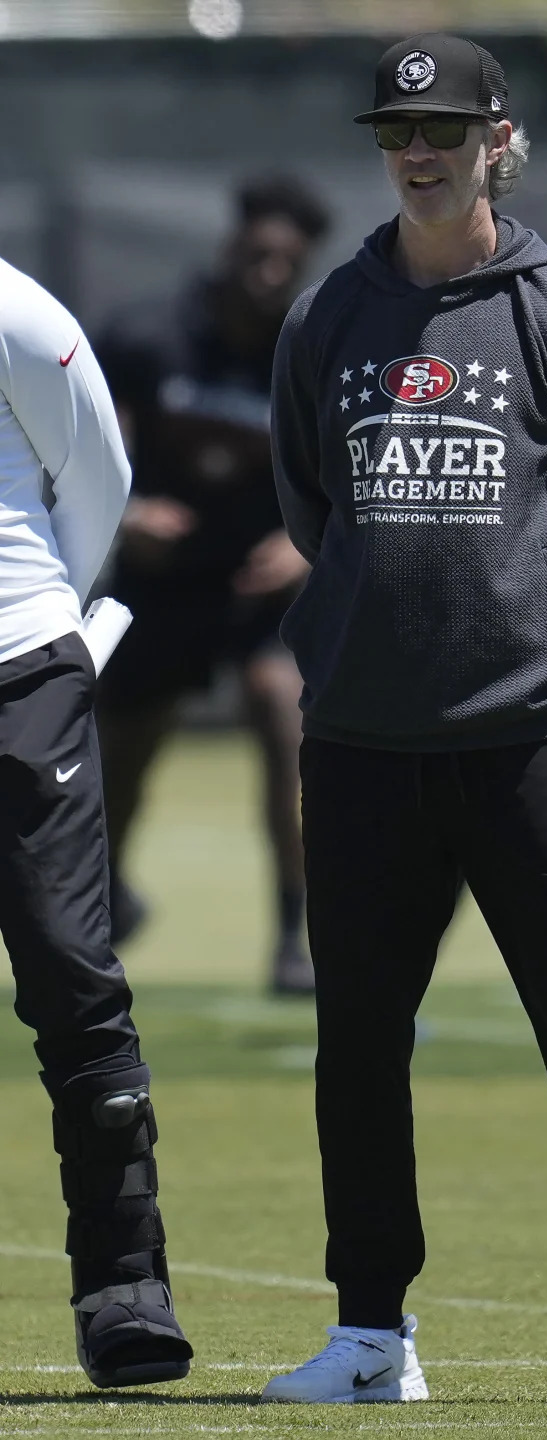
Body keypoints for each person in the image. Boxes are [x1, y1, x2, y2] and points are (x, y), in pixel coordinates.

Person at [262, 33, 547, 1409]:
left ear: (496, 139)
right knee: (359, 1044)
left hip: (532, 742)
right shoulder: (331, 317)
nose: (420, 148)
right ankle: (373, 1334)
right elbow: (308, 507)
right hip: (365, 746)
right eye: (399, 129)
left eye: (446, 127)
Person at [0, 256, 192, 1387]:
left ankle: (125, 1290)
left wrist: (47, 629)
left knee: (73, 974)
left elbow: (98, 469)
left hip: (26, 671)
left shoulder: (13, 307)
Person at [94, 175, 331, 995]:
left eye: (287, 263)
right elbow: (85, 451)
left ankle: (295, 940)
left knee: (284, 716)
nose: (270, 275)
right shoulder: (147, 338)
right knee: (123, 750)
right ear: (231, 247)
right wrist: (127, 514)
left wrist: (306, 547)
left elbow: (346, 469)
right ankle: (101, 909)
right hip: (164, 583)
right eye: (259, 255)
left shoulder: (312, 351)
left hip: (264, 587)